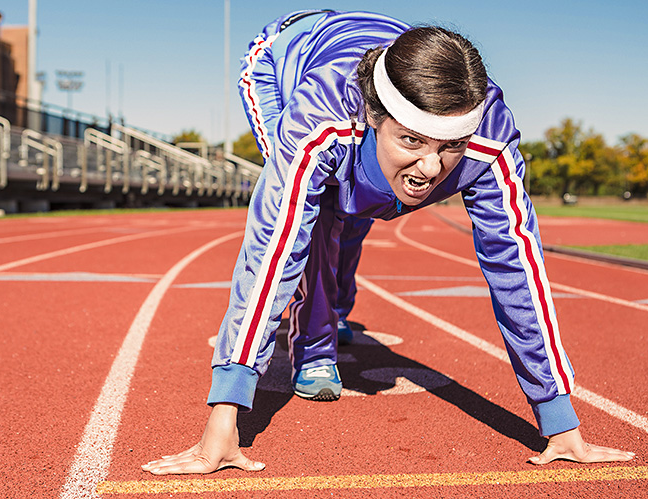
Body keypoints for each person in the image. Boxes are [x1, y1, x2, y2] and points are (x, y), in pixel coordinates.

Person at [143, 10, 635, 474]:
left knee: (360, 209)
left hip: (379, 58)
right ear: (377, 117)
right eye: (412, 141)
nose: (430, 169)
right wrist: (225, 418)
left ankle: (336, 306)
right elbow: (272, 250)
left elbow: (518, 270)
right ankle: (314, 348)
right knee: (315, 218)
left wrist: (560, 420)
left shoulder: (490, 138)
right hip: (283, 59)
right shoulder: (320, 118)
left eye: (450, 148)